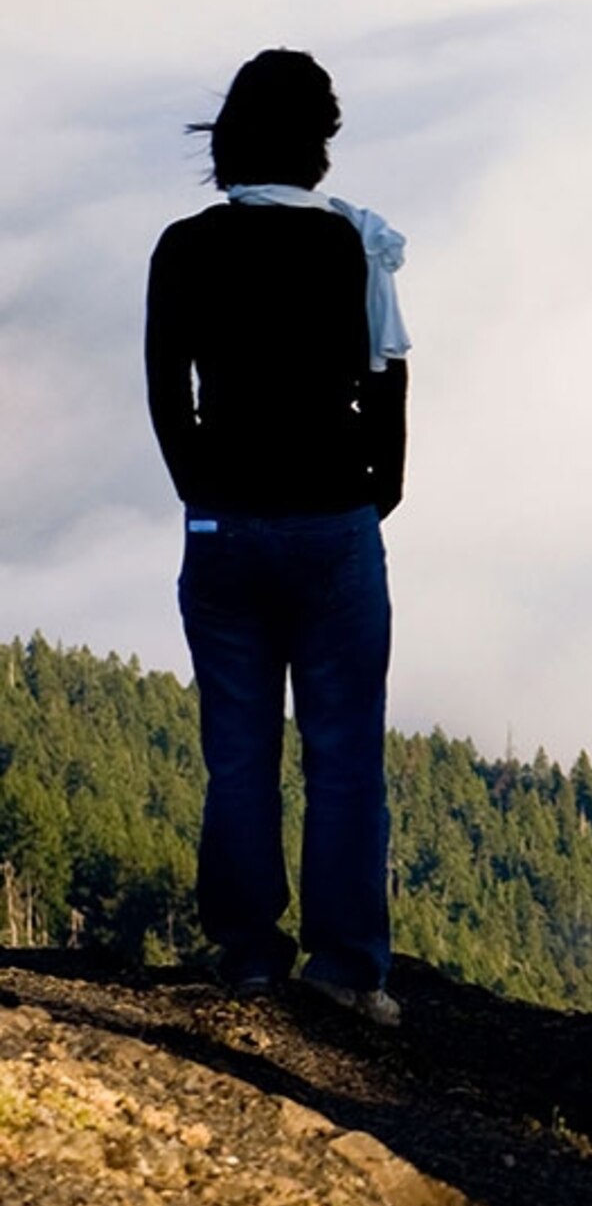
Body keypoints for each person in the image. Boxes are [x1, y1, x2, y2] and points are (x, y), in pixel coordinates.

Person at [143, 50, 411, 1025]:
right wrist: (377, 491)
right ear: (319, 144)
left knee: (239, 750)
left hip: (225, 525)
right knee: (343, 754)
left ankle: (250, 955)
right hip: (332, 521)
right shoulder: (353, 242)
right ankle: (344, 970)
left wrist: (201, 491)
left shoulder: (184, 246)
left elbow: (166, 388)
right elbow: (387, 377)